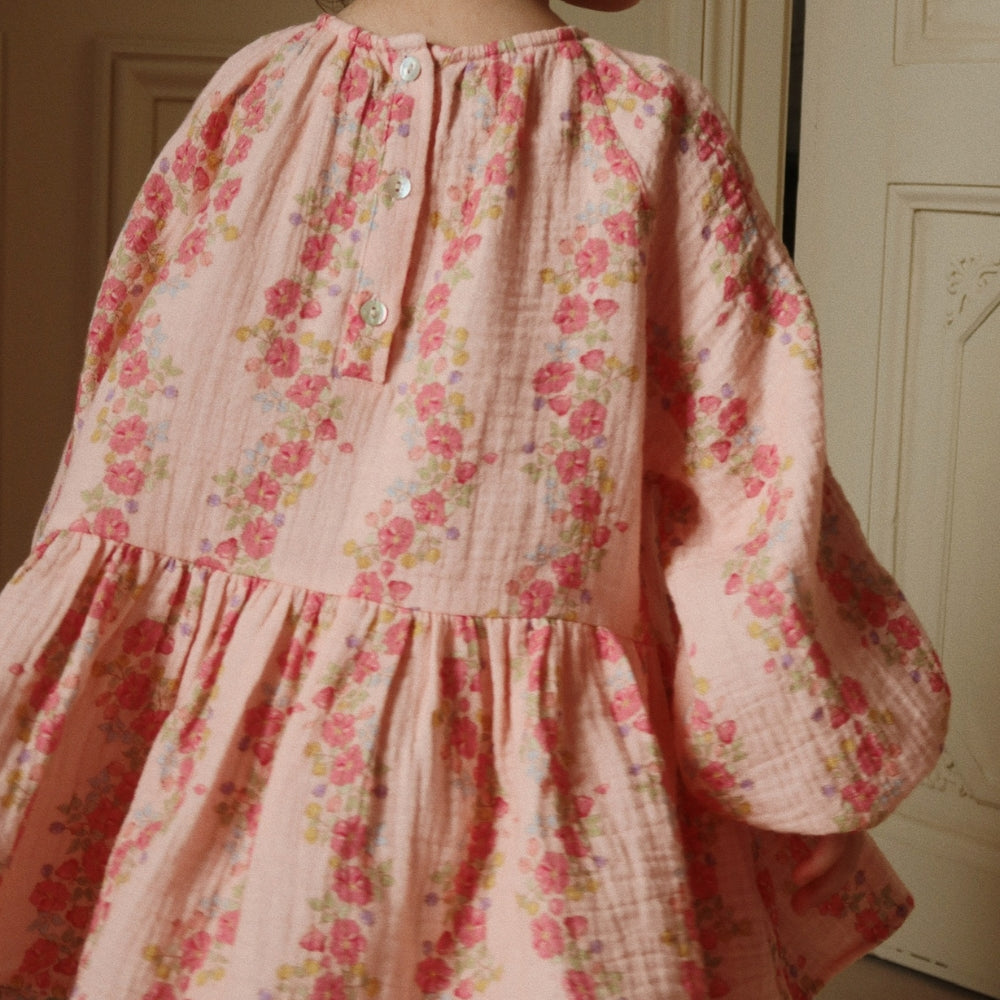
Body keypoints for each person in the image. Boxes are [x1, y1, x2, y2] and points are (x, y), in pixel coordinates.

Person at [0, 0, 949, 996]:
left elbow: (116, 421)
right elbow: (743, 481)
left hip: (198, 747)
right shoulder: (647, 123)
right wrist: (799, 757)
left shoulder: (255, 86)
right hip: (508, 819)